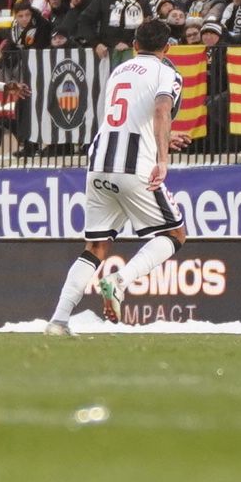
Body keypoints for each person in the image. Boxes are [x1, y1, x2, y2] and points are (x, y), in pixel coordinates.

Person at [51, 36, 193, 330]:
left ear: (134, 43)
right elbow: (161, 110)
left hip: (99, 165)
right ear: (167, 48)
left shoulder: (120, 69)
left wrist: (166, 135)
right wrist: (163, 159)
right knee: (176, 234)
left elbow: (128, 117)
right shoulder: (167, 72)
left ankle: (58, 320)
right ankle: (120, 280)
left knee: (95, 247)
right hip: (133, 166)